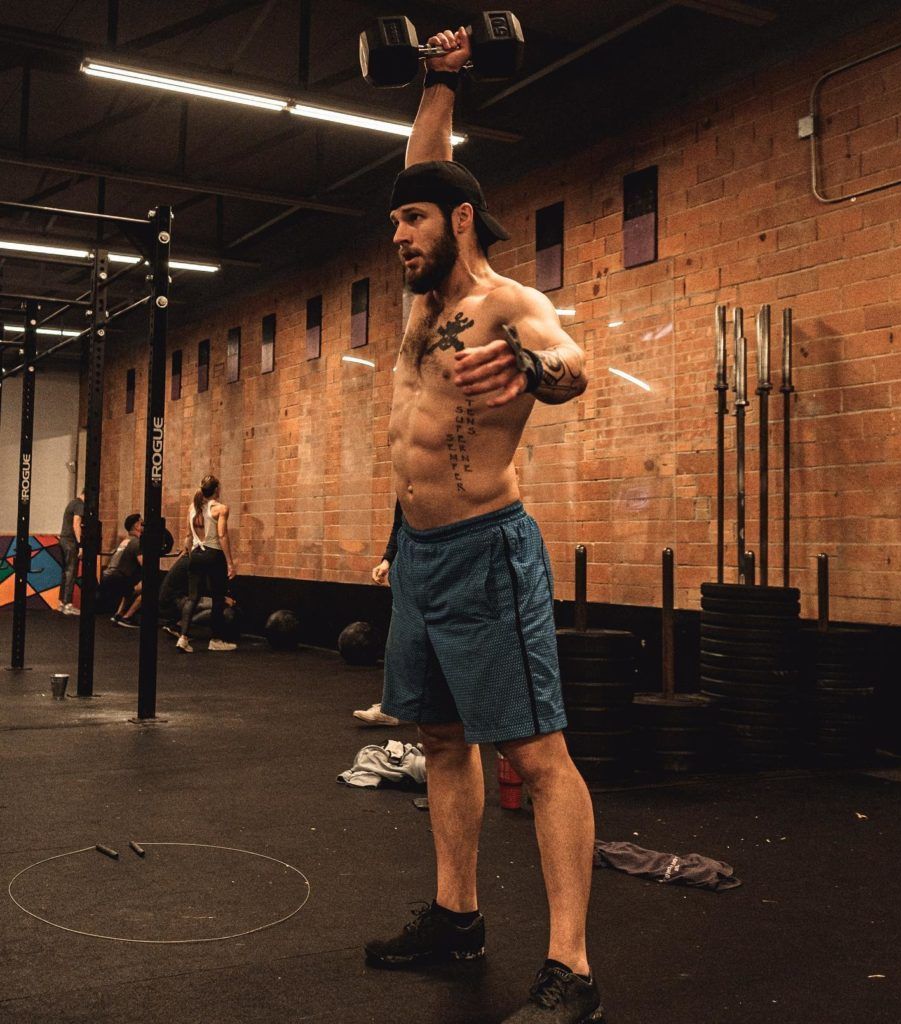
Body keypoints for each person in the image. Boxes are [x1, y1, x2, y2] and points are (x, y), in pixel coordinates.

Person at [363, 27, 602, 1024]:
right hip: (416, 555)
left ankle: (573, 969)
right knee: (441, 736)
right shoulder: (422, 310)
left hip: (485, 554)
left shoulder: (511, 303)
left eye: (411, 221)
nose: (398, 235)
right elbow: (425, 161)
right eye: (392, 222)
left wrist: (545, 375)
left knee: (535, 755)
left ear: (461, 222)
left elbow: (570, 360)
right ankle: (457, 916)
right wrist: (439, 81)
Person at [353, 501, 402, 726]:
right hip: (410, 568)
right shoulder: (407, 481)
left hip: (445, 569)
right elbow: (400, 526)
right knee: (400, 642)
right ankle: (391, 707)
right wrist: (387, 560)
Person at [176, 474, 237, 653]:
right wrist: (230, 563)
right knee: (218, 598)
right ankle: (215, 639)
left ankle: (183, 638)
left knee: (192, 597)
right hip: (213, 554)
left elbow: (188, 536)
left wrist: (188, 554)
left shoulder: (192, 508)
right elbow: (222, 536)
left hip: (196, 554)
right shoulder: (220, 509)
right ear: (217, 490)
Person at [159, 550, 240, 640]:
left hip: (169, 599)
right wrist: (224, 599)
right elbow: (204, 589)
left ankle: (181, 625)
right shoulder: (199, 562)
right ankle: (181, 624)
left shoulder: (191, 557)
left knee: (211, 603)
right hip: (174, 601)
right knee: (223, 609)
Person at [100, 513, 143, 628]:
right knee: (149, 588)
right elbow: (144, 564)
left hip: (107, 576)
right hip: (117, 577)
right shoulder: (137, 542)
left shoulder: (125, 541)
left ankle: (118, 615)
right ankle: (127, 617)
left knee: (130, 591)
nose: (144, 526)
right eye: (142, 523)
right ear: (136, 526)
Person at [57, 489, 84, 615]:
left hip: (63, 540)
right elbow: (76, 524)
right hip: (70, 542)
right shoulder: (79, 504)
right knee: (71, 572)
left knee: (66, 571)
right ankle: (67, 605)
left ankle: (62, 603)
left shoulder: (72, 503)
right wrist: (80, 544)